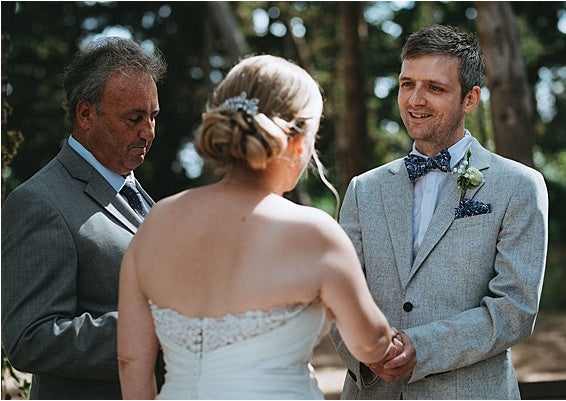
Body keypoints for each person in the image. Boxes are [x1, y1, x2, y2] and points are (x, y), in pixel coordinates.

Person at [117, 54, 401, 400]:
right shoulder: (313, 233)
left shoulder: (156, 222)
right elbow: (369, 344)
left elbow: (131, 361)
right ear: (297, 143)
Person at [330, 25, 549, 399]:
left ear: (470, 98)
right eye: (406, 84)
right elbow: (339, 296)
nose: (415, 100)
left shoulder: (519, 186)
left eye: (435, 88)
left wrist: (422, 348)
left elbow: (515, 308)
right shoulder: (363, 189)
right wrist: (368, 355)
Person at [1, 37, 167, 399]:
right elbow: (30, 338)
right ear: (86, 114)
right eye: (134, 118)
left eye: (153, 116)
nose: (149, 132)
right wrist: (160, 329)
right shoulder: (38, 202)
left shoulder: (141, 196)